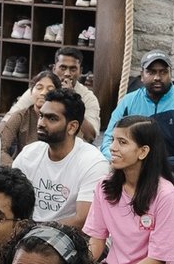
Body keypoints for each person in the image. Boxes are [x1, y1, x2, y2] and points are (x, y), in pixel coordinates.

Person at [85, 116, 174, 264]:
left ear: (143, 152)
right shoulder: (104, 186)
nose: (113, 148)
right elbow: (97, 241)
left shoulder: (165, 194)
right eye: (113, 140)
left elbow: (157, 260)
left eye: (122, 142)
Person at [100, 51, 174, 175]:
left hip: (170, 170)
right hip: (131, 167)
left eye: (163, 72)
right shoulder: (128, 102)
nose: (157, 77)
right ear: (142, 75)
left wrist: (154, 165)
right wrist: (126, 162)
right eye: (151, 72)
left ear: (170, 74)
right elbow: (108, 141)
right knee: (100, 164)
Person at [12, 89, 107, 228]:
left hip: (68, 235)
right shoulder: (29, 153)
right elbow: (9, 199)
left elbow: (82, 220)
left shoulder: (93, 163)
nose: (41, 123)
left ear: (72, 127)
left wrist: (35, 230)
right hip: (26, 229)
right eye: (41, 116)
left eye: (52, 118)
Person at [1, 46, 102, 136]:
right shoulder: (41, 89)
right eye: (63, 68)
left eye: (73, 69)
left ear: (80, 71)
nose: (67, 73)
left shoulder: (88, 97)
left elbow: (90, 136)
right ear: (54, 69)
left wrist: (73, 100)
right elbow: (9, 118)